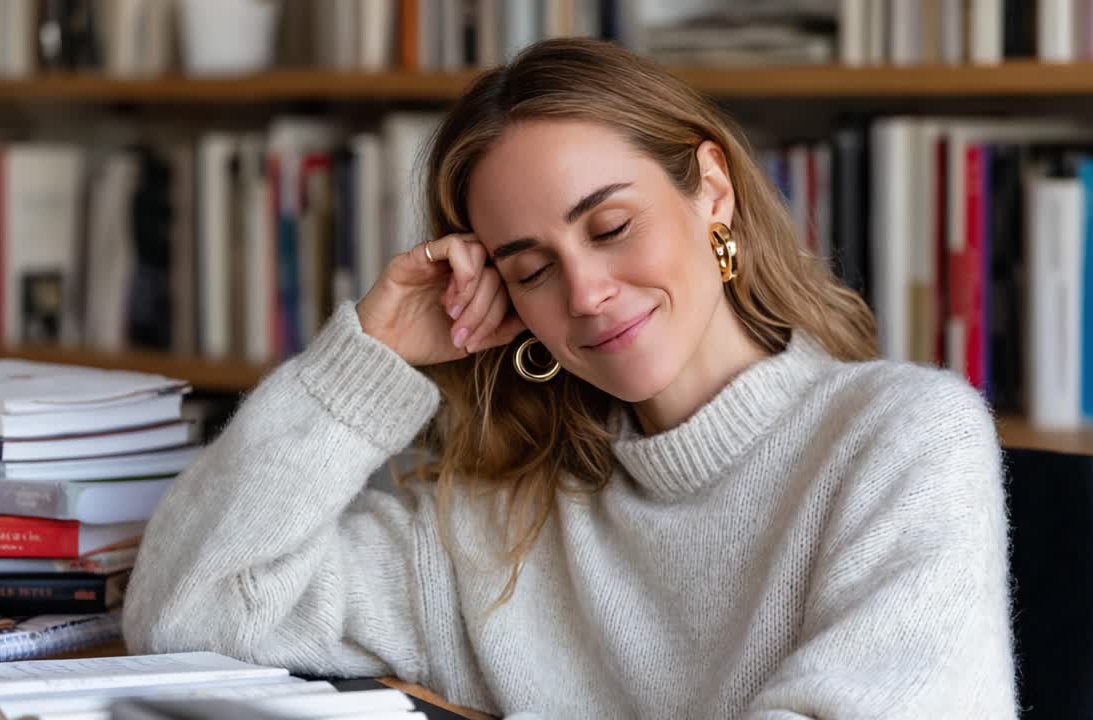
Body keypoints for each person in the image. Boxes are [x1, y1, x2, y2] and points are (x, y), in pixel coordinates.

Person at [123, 38, 1018, 718]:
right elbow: (189, 611)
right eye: (530, 268)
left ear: (712, 190)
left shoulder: (903, 437)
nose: (586, 294)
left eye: (611, 225)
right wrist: (366, 362)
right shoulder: (495, 517)